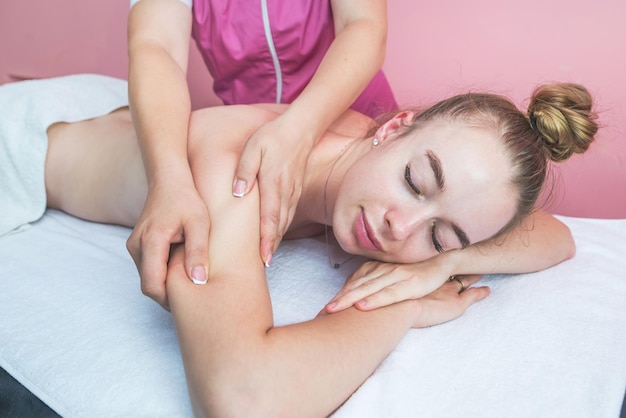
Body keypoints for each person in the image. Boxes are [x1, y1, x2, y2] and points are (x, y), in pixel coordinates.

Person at [2, 75, 596, 416]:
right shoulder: (241, 173)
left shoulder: (369, 167)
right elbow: (242, 398)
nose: (399, 227)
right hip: (22, 150)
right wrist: (402, 310)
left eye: (439, 232)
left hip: (105, 110)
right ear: (392, 127)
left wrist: (446, 261)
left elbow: (557, 239)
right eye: (416, 182)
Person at [126, 0, 398, 308]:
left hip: (360, 141)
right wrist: (168, 178)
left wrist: (297, 131)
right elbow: (157, 47)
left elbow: (363, 24)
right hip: (252, 146)